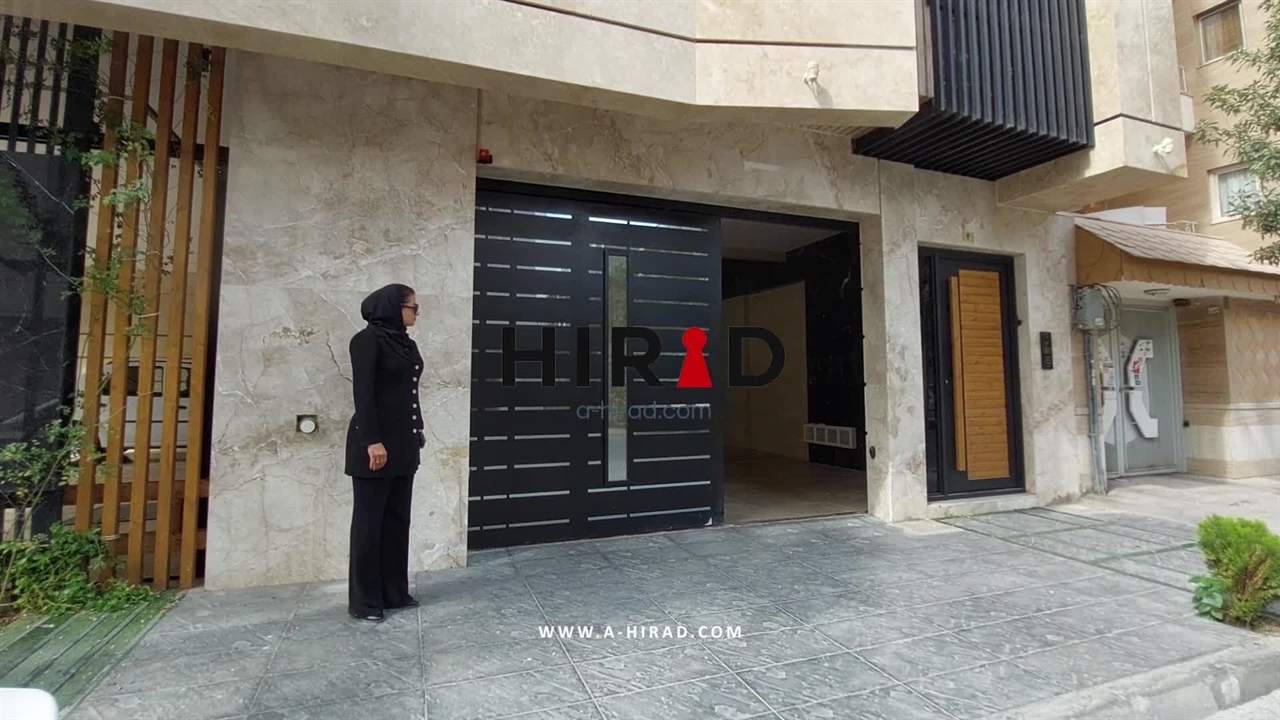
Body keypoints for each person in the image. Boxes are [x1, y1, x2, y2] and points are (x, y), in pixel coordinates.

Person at [345, 283, 425, 622]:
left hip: (404, 442)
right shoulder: (367, 341)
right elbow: (363, 394)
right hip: (374, 444)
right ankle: (365, 602)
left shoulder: (407, 343)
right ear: (393, 308)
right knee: (369, 526)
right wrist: (371, 441)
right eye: (412, 307)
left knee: (397, 520)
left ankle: (394, 593)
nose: (416, 313)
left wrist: (418, 427)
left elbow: (408, 391)